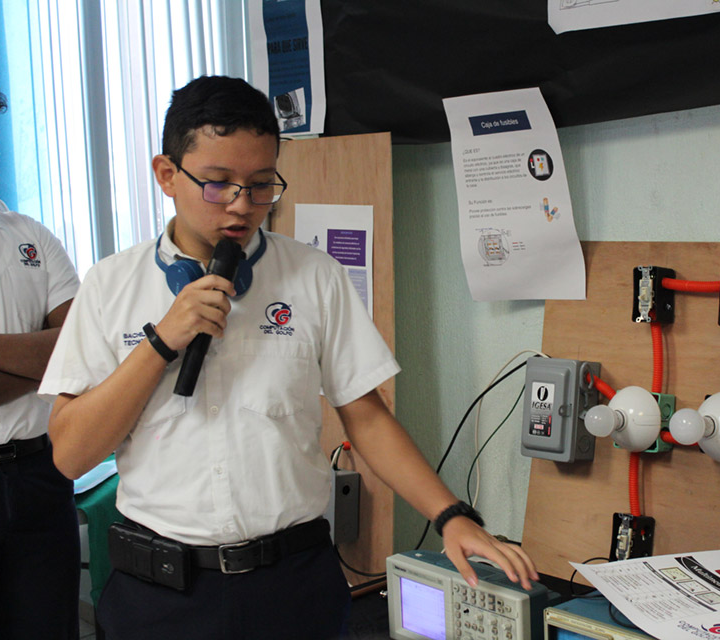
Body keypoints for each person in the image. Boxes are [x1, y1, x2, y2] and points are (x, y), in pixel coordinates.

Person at [41, 75, 538, 639]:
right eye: (218, 183)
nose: (241, 205)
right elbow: (69, 453)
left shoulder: (314, 276)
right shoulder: (111, 285)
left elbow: (367, 416)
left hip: (292, 587)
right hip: (160, 597)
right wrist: (161, 342)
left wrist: (450, 516)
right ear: (166, 174)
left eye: (260, 185)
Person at [0, 79, 81, 639]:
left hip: (38, 474)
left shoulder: (31, 236)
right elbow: (57, 350)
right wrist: (38, 354)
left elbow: (78, 352)